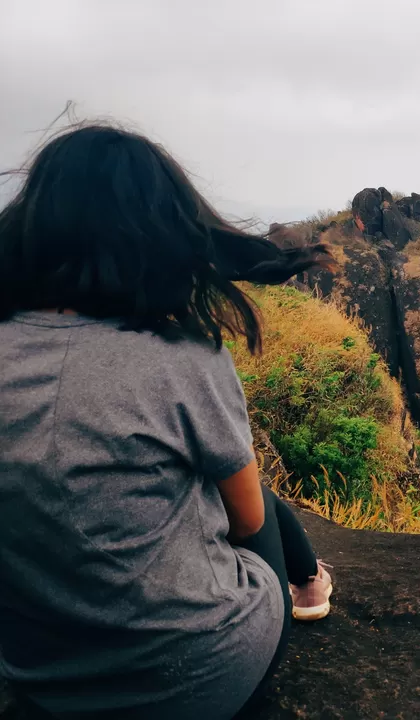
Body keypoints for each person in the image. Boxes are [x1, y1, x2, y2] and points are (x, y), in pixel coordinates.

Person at [0, 122, 337, 719]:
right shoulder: (183, 356)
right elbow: (248, 520)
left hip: (40, 676)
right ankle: (309, 586)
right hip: (200, 676)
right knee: (248, 489)